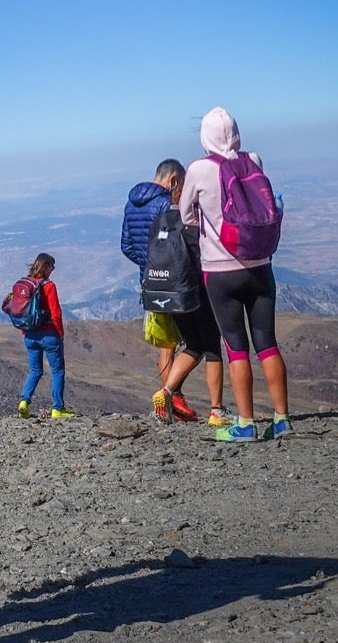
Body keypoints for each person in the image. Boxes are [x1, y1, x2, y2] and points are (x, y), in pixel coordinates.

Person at [170, 107, 291, 442]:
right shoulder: (254, 159)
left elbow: (186, 215)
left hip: (220, 270)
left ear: (205, 137)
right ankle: (282, 419)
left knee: (236, 347)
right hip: (260, 264)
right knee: (267, 343)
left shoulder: (199, 169)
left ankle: (246, 423)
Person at [122, 160, 232, 426]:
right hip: (180, 283)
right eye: (181, 185)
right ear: (173, 180)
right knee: (202, 344)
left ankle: (170, 397)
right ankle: (194, 404)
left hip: (152, 284)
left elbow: (127, 245)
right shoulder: (166, 205)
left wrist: (151, 267)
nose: (182, 192)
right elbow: (181, 245)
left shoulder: (130, 204)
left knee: (169, 342)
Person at [15, 253, 74, 418]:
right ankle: (57, 408)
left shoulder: (27, 284)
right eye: (52, 267)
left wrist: (25, 331)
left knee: (34, 371)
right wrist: (60, 334)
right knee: (57, 371)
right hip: (49, 335)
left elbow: (21, 311)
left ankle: (24, 402)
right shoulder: (49, 286)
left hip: (30, 335)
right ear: (46, 267)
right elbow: (56, 313)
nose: (53, 270)